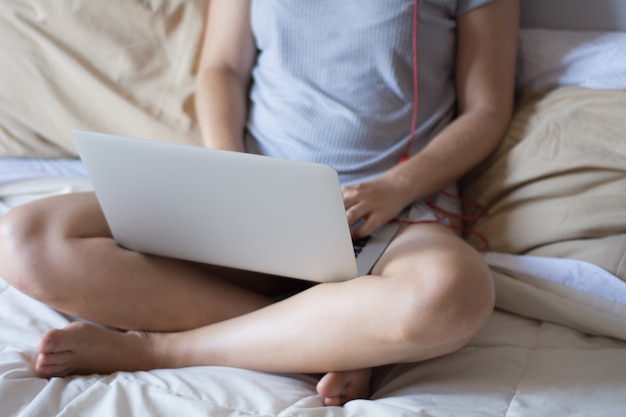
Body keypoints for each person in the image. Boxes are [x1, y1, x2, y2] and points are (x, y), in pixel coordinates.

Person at [0, 0, 519, 407]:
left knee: (453, 295)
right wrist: (232, 176)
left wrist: (393, 188)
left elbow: (487, 110)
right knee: (25, 239)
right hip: (255, 198)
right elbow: (222, 68)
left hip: (394, 214)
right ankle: (329, 340)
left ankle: (155, 350)